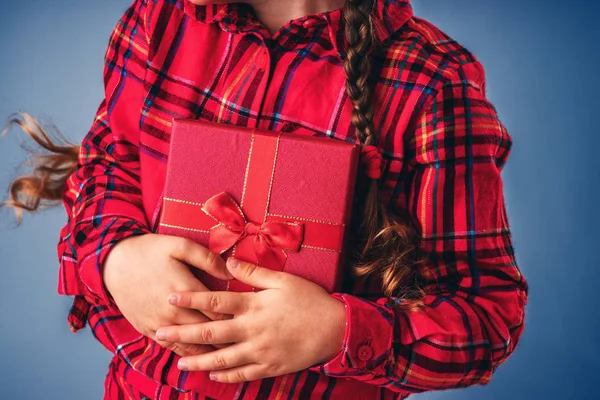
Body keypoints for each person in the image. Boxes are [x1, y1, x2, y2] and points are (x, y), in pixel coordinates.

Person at [3, 0, 529, 398]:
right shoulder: (160, 19)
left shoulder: (432, 83)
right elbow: (103, 169)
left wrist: (339, 332)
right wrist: (116, 258)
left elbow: (487, 316)